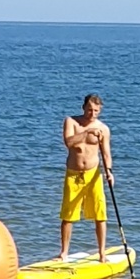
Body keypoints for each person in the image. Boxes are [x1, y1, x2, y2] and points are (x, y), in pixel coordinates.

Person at [60, 94, 113, 262]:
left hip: (93, 174)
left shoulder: (103, 129)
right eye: (89, 110)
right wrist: (87, 132)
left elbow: (106, 153)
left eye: (96, 111)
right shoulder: (72, 122)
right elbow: (69, 142)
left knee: (100, 213)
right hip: (74, 174)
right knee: (68, 215)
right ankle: (64, 253)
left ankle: (102, 252)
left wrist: (109, 172)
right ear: (83, 107)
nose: (92, 114)